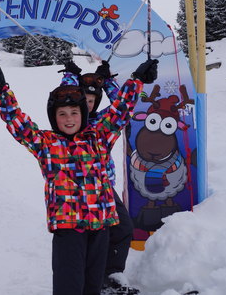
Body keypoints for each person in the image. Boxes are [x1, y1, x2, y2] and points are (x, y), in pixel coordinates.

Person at [0, 58, 158, 295]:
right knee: (69, 287)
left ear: (83, 113)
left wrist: (137, 80)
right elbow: (18, 123)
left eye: (74, 112)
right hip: (68, 230)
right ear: (53, 117)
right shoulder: (46, 144)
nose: (68, 119)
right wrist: (1, 92)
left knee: (92, 288)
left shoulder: (98, 137)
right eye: (62, 114)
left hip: (100, 227)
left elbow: (121, 109)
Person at [65, 60, 140, 294]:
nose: (86, 105)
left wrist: (106, 81)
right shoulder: (68, 121)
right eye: (82, 100)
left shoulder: (102, 121)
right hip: (77, 191)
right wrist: (69, 77)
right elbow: (63, 97)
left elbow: (122, 104)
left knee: (122, 228)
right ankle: (94, 282)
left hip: (104, 187)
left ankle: (111, 276)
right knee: (91, 238)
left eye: (90, 101)